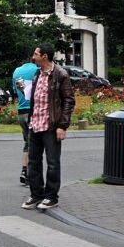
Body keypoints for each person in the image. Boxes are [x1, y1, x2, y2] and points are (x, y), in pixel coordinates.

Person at [22, 43, 75, 211]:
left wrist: (62, 125)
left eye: (36, 53)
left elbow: (68, 100)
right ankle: (36, 194)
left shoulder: (60, 74)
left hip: (51, 125)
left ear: (44, 56)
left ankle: (51, 196)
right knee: (33, 162)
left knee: (52, 163)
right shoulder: (37, 73)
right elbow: (36, 98)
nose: (34, 56)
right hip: (35, 123)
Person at [12, 53, 38, 186]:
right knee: (35, 144)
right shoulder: (37, 70)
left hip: (21, 112)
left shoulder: (17, 71)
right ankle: (30, 173)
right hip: (32, 111)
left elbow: (16, 92)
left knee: (27, 143)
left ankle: (24, 170)